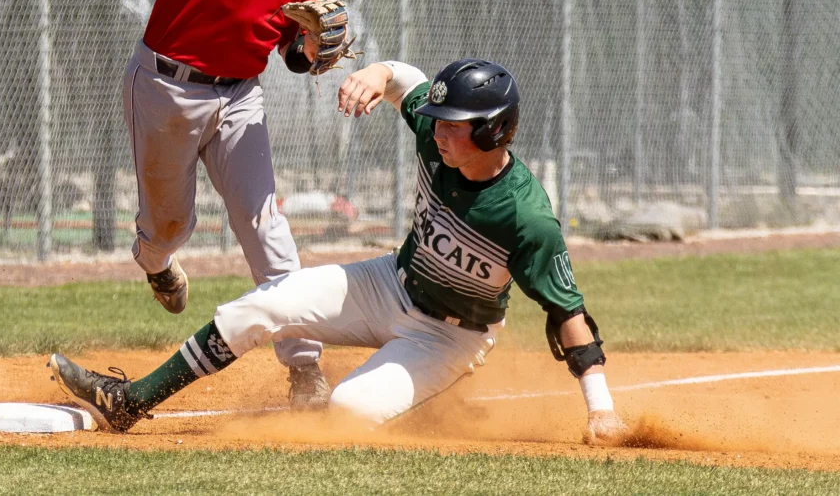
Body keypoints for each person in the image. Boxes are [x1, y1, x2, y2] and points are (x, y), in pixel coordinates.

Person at [50, 57, 629, 443]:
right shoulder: (436, 137)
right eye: (440, 120)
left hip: (450, 334)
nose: (439, 129)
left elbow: (569, 314)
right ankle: (130, 402)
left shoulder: (526, 217)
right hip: (389, 285)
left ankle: (425, 395)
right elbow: (405, 80)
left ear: (494, 131)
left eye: (455, 124)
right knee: (261, 305)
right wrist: (377, 73)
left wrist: (599, 408)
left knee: (349, 411)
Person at [114, 0, 352, 407]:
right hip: (166, 85)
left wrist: (316, 50)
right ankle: (155, 263)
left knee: (267, 227)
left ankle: (304, 368)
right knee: (169, 225)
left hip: (239, 98)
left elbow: (297, 56)